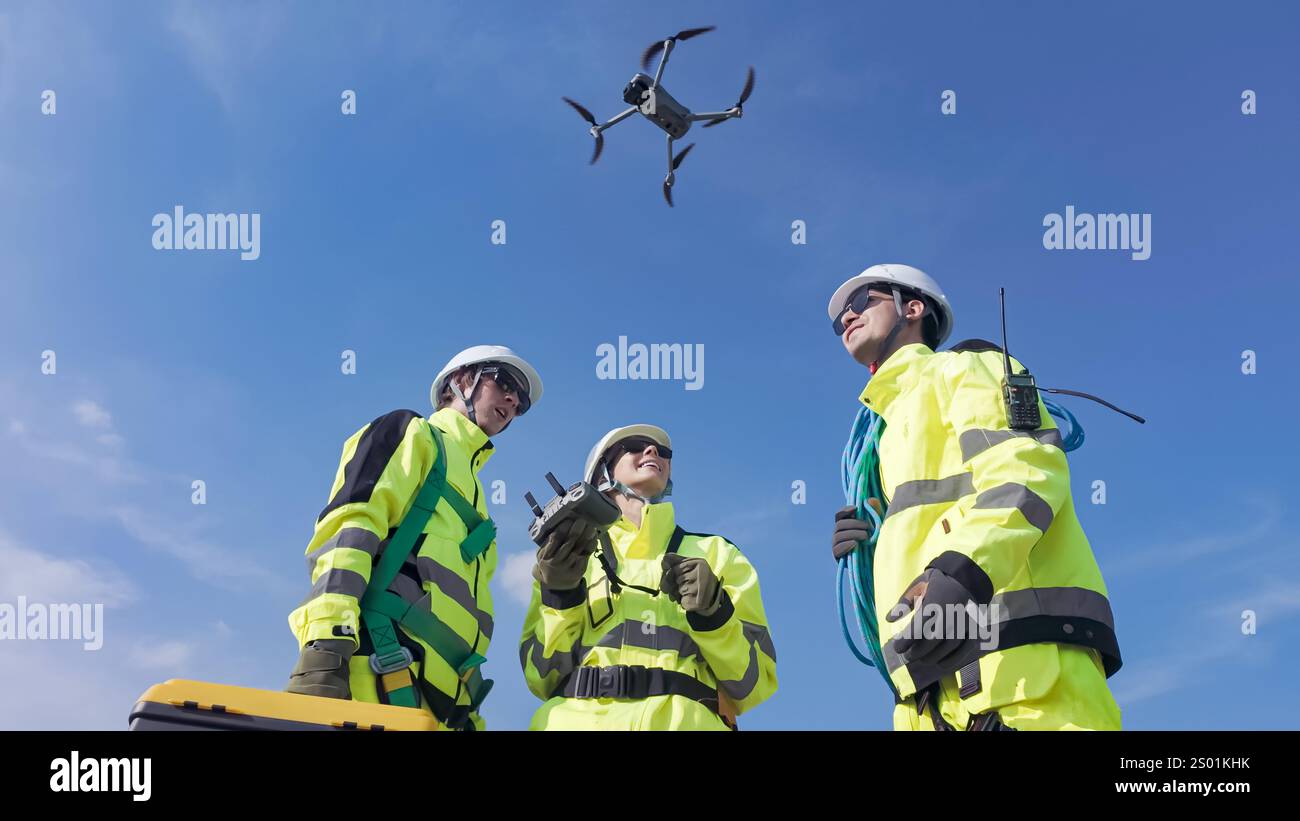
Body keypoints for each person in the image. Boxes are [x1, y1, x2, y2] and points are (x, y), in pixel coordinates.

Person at [827, 264, 1122, 730]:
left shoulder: (967, 368)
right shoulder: (883, 431)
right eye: (838, 316)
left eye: (863, 300)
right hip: (926, 697)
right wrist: (877, 537)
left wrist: (961, 573)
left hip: (1019, 670)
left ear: (914, 307)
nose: (846, 316)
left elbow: (1025, 471)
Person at [285, 345, 542, 731]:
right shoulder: (411, 432)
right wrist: (326, 642)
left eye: (520, 401)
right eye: (503, 382)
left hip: (443, 708)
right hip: (379, 672)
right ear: (458, 382)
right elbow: (350, 526)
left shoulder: (481, 504)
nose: (512, 399)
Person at [520, 425, 777, 729]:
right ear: (602, 472)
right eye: (635, 445)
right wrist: (560, 596)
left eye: (662, 452)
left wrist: (715, 616)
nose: (653, 452)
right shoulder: (569, 555)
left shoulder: (719, 554)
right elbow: (542, 676)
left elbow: (754, 685)